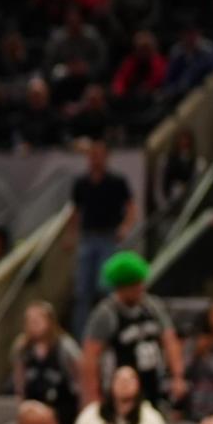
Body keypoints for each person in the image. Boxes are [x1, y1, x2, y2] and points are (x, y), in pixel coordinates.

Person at [80, 252, 185, 408]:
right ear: (120, 287)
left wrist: (178, 376)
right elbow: (90, 357)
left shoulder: (152, 306)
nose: (140, 288)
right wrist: (92, 396)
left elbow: (170, 340)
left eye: (141, 283)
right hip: (120, 388)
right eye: (134, 285)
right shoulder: (106, 313)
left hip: (152, 382)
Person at [71, 142, 135, 335]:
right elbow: (75, 211)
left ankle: (108, 333)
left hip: (108, 237)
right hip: (87, 237)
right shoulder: (81, 182)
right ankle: (81, 336)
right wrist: (71, 235)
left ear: (106, 157)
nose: (95, 159)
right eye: (92, 155)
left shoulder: (116, 181)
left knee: (106, 288)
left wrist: (125, 227)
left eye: (99, 155)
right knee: (82, 290)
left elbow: (131, 207)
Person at [12, 301, 83, 424]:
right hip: (33, 411)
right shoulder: (22, 348)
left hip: (63, 411)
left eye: (38, 319)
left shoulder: (65, 346)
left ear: (50, 321)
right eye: (30, 320)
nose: (34, 323)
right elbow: (20, 383)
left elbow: (80, 379)